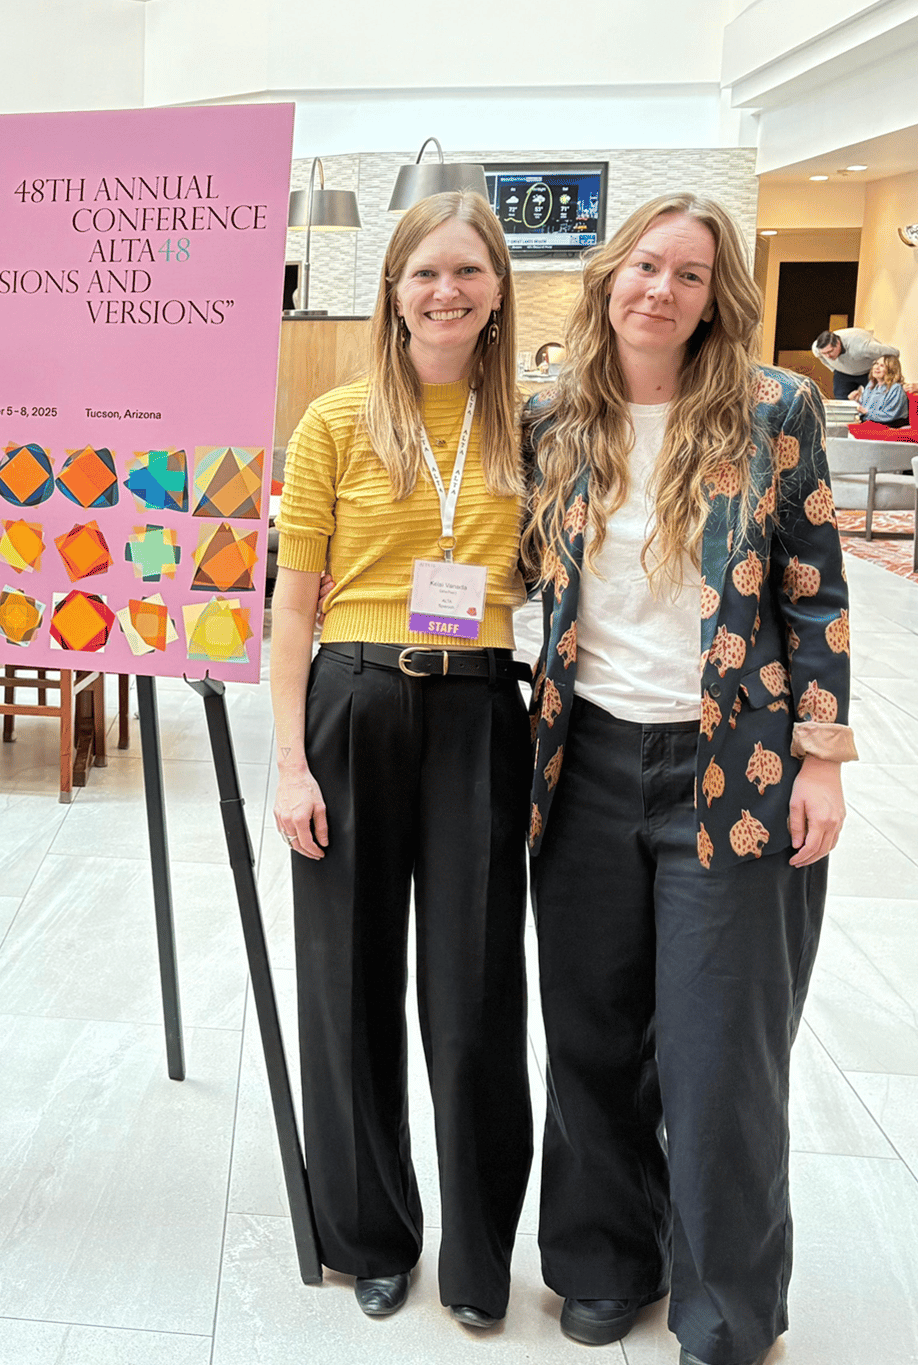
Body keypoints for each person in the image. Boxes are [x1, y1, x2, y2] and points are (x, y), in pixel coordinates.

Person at [523, 193, 853, 1365]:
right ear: (611, 274)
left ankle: (727, 1307)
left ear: (720, 297)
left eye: (693, 275)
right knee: (593, 1037)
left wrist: (822, 760)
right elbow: (510, 562)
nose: (663, 290)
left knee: (722, 1060)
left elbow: (813, 589)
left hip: (738, 768)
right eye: (647, 266)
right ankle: (607, 1259)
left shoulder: (773, 410)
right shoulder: (553, 412)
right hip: (587, 762)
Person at [269, 191, 533, 1328]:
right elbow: (292, 608)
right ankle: (371, 1233)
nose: (447, 291)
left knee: (474, 996)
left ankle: (479, 1258)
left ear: (498, 290)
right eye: (426, 272)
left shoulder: (536, 425)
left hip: (480, 709)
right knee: (348, 987)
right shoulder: (334, 421)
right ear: (393, 287)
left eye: (469, 272)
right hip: (355, 700)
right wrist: (289, 763)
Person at [811, 327, 897, 400]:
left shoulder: (863, 347)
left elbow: (894, 353)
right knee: (841, 401)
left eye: (830, 351)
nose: (828, 356)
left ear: (838, 343)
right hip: (842, 373)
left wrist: (883, 370)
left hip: (868, 372)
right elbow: (821, 358)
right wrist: (834, 369)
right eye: (824, 353)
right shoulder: (816, 349)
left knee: (874, 399)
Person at [852, 354, 907, 425]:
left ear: (891, 370)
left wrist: (866, 412)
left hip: (890, 425)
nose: (876, 367)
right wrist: (854, 401)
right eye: (876, 364)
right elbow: (863, 408)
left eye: (882, 366)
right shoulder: (871, 385)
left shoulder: (896, 388)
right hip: (870, 423)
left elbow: (890, 415)